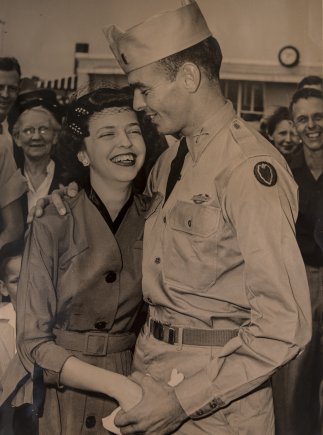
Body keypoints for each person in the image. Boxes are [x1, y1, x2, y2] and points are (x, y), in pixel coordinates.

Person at [33, 2, 311, 433]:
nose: (139, 103)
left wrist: (182, 401)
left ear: (188, 77)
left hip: (215, 403)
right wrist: (71, 201)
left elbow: (284, 326)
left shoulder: (247, 170)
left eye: (144, 88)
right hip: (148, 375)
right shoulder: (170, 162)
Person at [1, 87, 152, 435]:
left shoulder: (157, 216)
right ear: (83, 154)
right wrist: (120, 386)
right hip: (58, 397)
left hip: (134, 386)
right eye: (107, 134)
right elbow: (33, 342)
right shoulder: (51, 220)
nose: (126, 143)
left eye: (133, 130)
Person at [272, 87, 323, 435]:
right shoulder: (284, 174)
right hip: (301, 285)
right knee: (293, 393)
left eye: (319, 116)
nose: (312, 126)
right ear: (294, 123)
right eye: (303, 119)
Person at [7, 89, 65, 224]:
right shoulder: (7, 178)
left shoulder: (71, 179)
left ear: (55, 136)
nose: (36, 137)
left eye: (44, 129)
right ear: (17, 138)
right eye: (28, 130)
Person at [0, 58, 21, 153]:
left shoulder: (18, 128)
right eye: (0, 87)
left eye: (12, 88)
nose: (5, 94)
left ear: (18, 90)